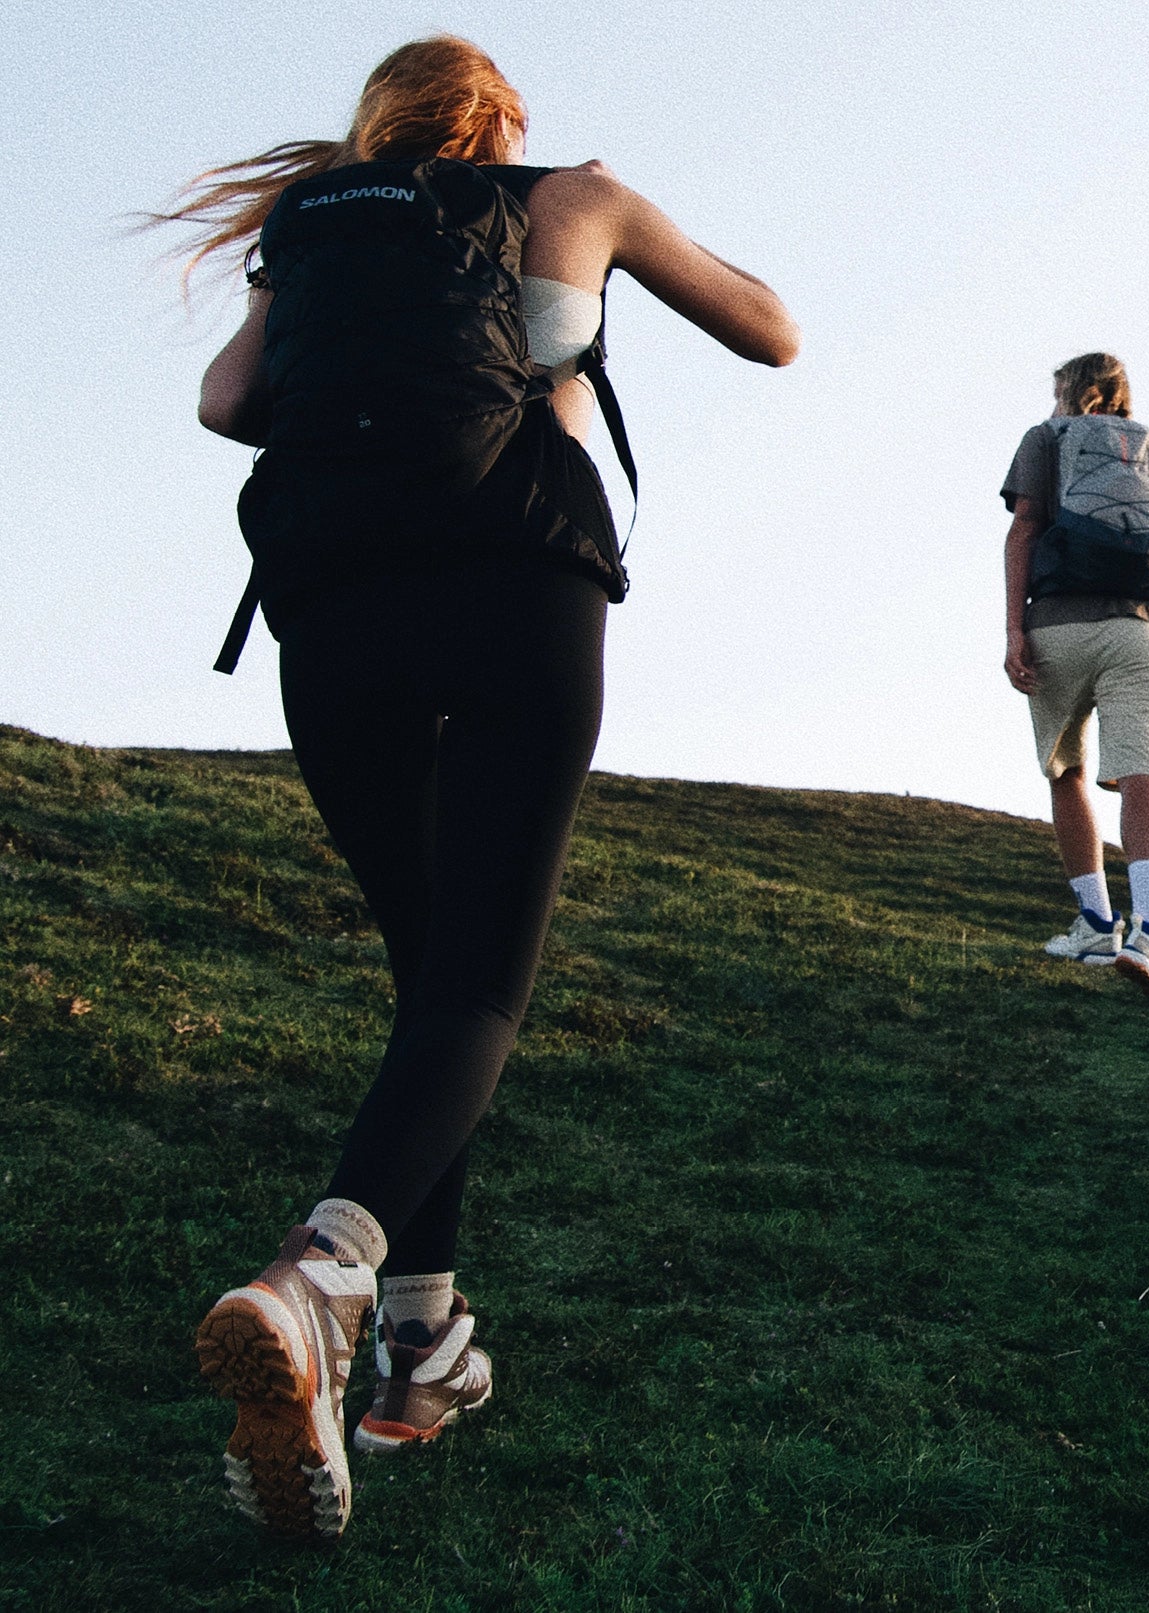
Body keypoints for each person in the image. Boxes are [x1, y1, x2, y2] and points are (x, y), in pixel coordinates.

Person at [163, 35, 799, 1541]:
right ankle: (321, 1275)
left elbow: (224, 402)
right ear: (496, 118)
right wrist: (592, 286)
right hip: (517, 580)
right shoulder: (566, 194)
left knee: (429, 977)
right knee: (482, 986)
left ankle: (414, 1357)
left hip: (329, 605)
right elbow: (773, 333)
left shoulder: (310, 224)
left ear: (378, 125)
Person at [1002, 352, 1149, 1006]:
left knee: (1065, 770)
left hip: (1057, 626)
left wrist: (1013, 630)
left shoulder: (1045, 438)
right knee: (1142, 776)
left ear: (1067, 390)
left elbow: (1023, 529)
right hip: (1140, 633)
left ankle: (1096, 924)